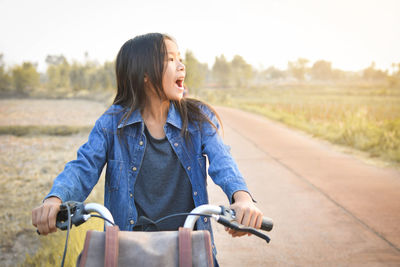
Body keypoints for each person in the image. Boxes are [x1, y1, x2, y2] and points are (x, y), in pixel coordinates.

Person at [32, 33, 263, 264]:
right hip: (127, 252)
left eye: (180, 58)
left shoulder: (198, 119)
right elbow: (83, 167)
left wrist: (242, 199)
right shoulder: (111, 124)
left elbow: (223, 161)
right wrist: (55, 200)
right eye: (170, 60)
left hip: (188, 251)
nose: (181, 66)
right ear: (144, 74)